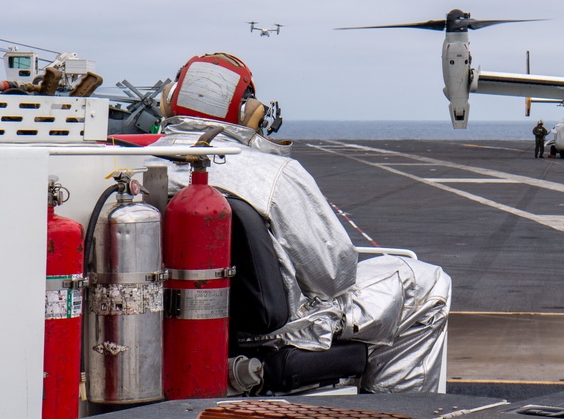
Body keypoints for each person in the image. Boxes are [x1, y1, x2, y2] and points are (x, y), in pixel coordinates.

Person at [149, 53, 451, 393]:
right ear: (249, 114)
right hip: (275, 333)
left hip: (159, 324)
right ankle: (395, 412)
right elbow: (334, 276)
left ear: (168, 101)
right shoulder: (270, 174)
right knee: (425, 284)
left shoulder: (130, 164)